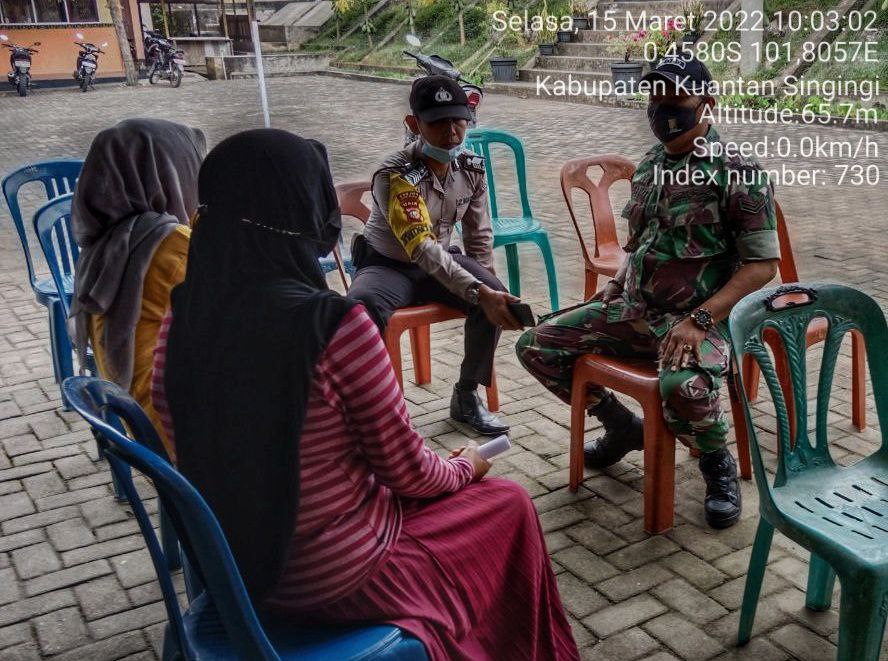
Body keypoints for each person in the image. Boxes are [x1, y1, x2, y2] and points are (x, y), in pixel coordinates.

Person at [151, 129, 580, 661]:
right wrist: (466, 464)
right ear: (300, 216)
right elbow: (407, 471)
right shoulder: (334, 326)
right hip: (331, 577)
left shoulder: (182, 314)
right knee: (508, 503)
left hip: (233, 570)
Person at [516, 55, 781, 529]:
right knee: (537, 345)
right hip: (636, 308)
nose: (662, 109)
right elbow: (639, 249)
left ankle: (714, 462)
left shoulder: (737, 171)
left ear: (706, 103)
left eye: (675, 98)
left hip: (703, 321)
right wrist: (612, 290)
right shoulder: (649, 168)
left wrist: (699, 320)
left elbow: (762, 266)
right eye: (655, 98)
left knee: (684, 388)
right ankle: (621, 426)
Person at [347, 75, 522, 436]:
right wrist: (477, 289)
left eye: (458, 120)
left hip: (439, 262)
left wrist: (485, 284)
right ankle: (372, 412)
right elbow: (420, 246)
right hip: (389, 265)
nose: (452, 132)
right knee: (361, 310)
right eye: (438, 122)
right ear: (414, 124)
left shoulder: (471, 168)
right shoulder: (395, 174)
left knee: (495, 296)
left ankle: (466, 395)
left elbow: (478, 235)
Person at [71, 118, 206, 463]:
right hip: (177, 429)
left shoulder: (109, 240)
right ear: (171, 174)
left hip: (133, 414)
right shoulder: (169, 244)